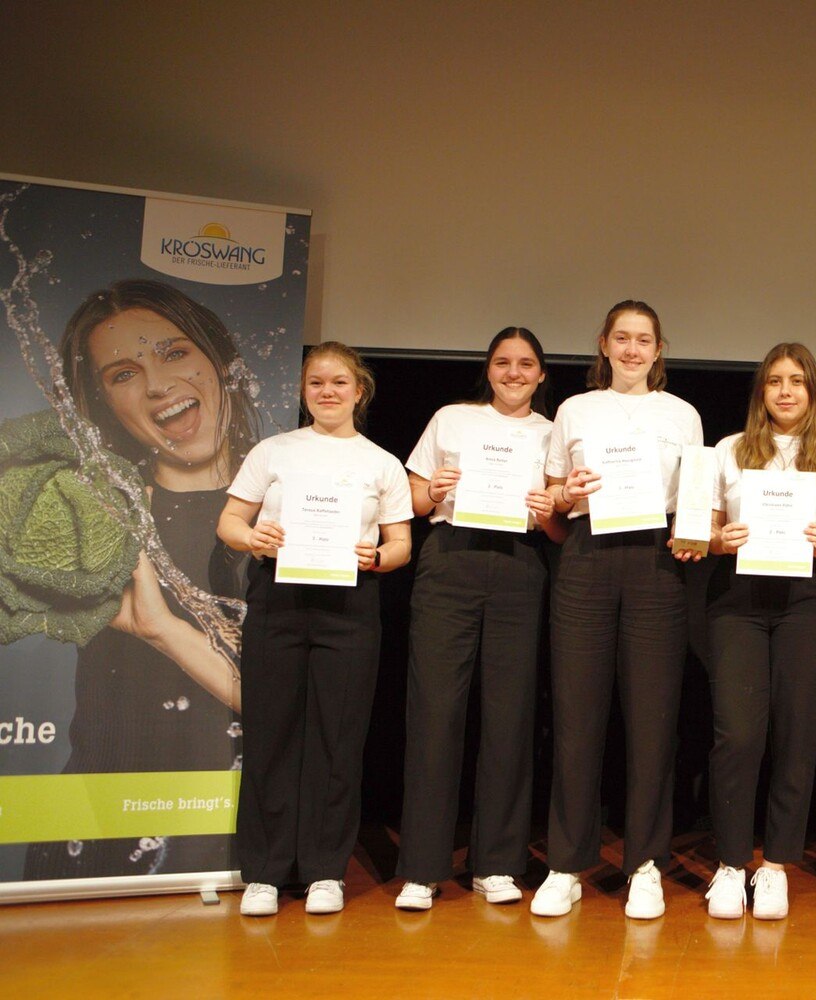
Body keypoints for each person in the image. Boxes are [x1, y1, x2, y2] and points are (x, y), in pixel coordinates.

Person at [25, 279, 257, 880]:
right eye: (122, 373)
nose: (157, 385)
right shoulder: (94, 513)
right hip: (96, 828)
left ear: (219, 360)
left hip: (224, 829)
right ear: (104, 405)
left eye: (174, 352)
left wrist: (160, 630)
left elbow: (281, 699)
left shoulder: (278, 514)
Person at [218, 342, 412, 916]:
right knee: (271, 732)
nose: (327, 392)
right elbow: (230, 519)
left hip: (351, 608)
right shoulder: (273, 451)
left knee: (338, 737)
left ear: (360, 390)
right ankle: (265, 872)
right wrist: (252, 538)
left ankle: (326, 869)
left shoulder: (381, 462)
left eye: (339, 383)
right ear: (304, 391)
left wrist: (377, 556)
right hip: (279, 599)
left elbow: (401, 543)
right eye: (316, 383)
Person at [529, 300, 703, 920]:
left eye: (644, 340)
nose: (632, 349)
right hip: (585, 556)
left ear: (658, 350)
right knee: (576, 715)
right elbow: (549, 499)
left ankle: (646, 864)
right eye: (621, 338)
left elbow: (695, 501)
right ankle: (566, 864)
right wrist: (564, 494)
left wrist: (696, 535)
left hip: (657, 563)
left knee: (653, 718)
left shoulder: (683, 415)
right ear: (603, 343)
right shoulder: (575, 409)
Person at [391, 328, 566, 911]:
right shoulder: (452, 418)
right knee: (436, 711)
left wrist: (548, 514)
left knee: (509, 716)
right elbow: (415, 500)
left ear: (542, 374)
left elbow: (561, 527)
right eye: (502, 363)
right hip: (450, 562)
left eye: (525, 365)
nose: (513, 373)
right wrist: (432, 488)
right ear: (487, 370)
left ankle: (496, 863)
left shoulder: (553, 431)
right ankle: (422, 867)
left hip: (520, 568)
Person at [700, 343, 816, 921]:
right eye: (774, 382)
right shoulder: (728, 452)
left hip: (807, 601)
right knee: (737, 736)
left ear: (813, 391)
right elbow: (706, 531)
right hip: (738, 602)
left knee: (796, 733)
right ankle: (730, 863)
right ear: (761, 392)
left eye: (797, 381)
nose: (786, 391)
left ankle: (775, 868)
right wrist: (720, 540)